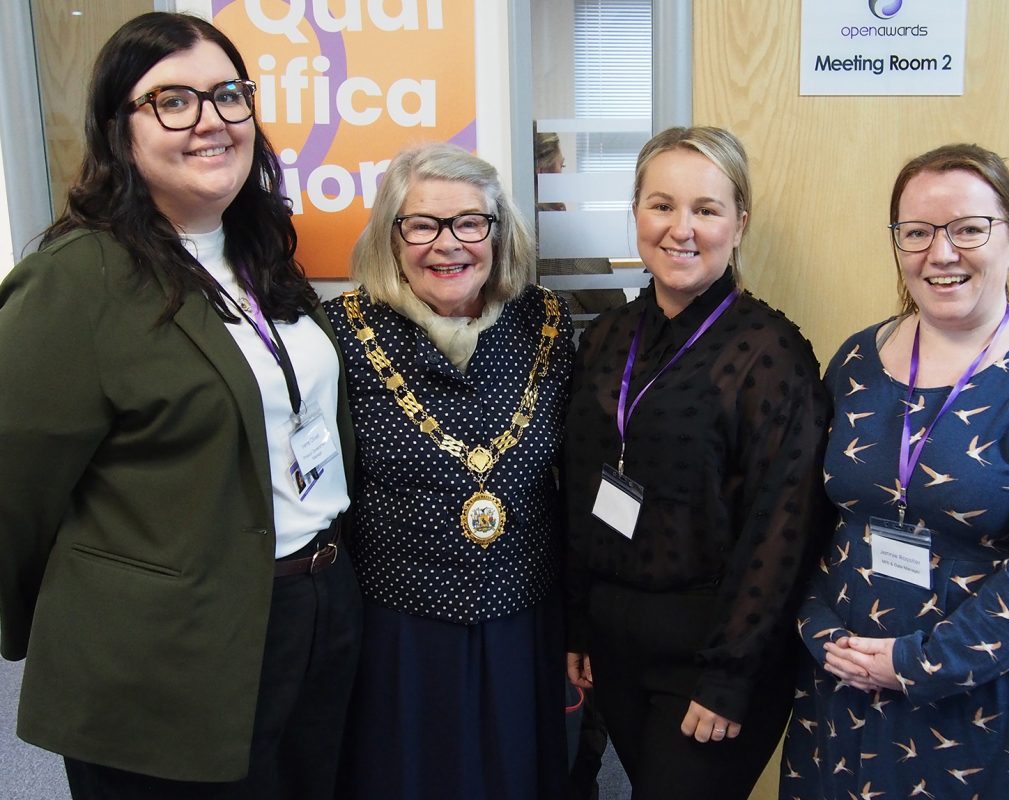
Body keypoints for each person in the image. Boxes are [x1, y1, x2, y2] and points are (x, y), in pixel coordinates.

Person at [0, 12, 360, 800]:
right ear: (116, 127)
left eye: (228, 96)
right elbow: (13, 491)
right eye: (172, 101)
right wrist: (72, 619)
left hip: (317, 608)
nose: (210, 121)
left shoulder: (260, 251)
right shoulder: (77, 279)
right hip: (166, 650)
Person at [780, 143, 1009, 799]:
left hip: (1000, 702)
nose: (941, 253)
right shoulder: (856, 359)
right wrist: (818, 626)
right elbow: (813, 517)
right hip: (853, 677)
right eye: (917, 232)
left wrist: (916, 662)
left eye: (969, 229)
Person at [563, 126, 832, 799]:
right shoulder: (606, 338)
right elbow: (575, 494)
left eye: (706, 210)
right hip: (614, 646)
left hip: (712, 656)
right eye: (661, 205)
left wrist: (730, 676)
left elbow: (785, 532)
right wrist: (578, 623)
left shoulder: (770, 355)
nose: (680, 228)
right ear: (636, 214)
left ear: (739, 224)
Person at [324, 141, 574, 799]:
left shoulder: (546, 322)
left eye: (469, 222)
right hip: (399, 627)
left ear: (497, 232)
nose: (449, 244)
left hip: (523, 616)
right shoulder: (342, 332)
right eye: (424, 225)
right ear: (392, 236)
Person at [534, 130, 628, 322]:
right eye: (561, 166)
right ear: (543, 174)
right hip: (575, 348)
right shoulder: (564, 235)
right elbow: (614, 307)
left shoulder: (503, 227)